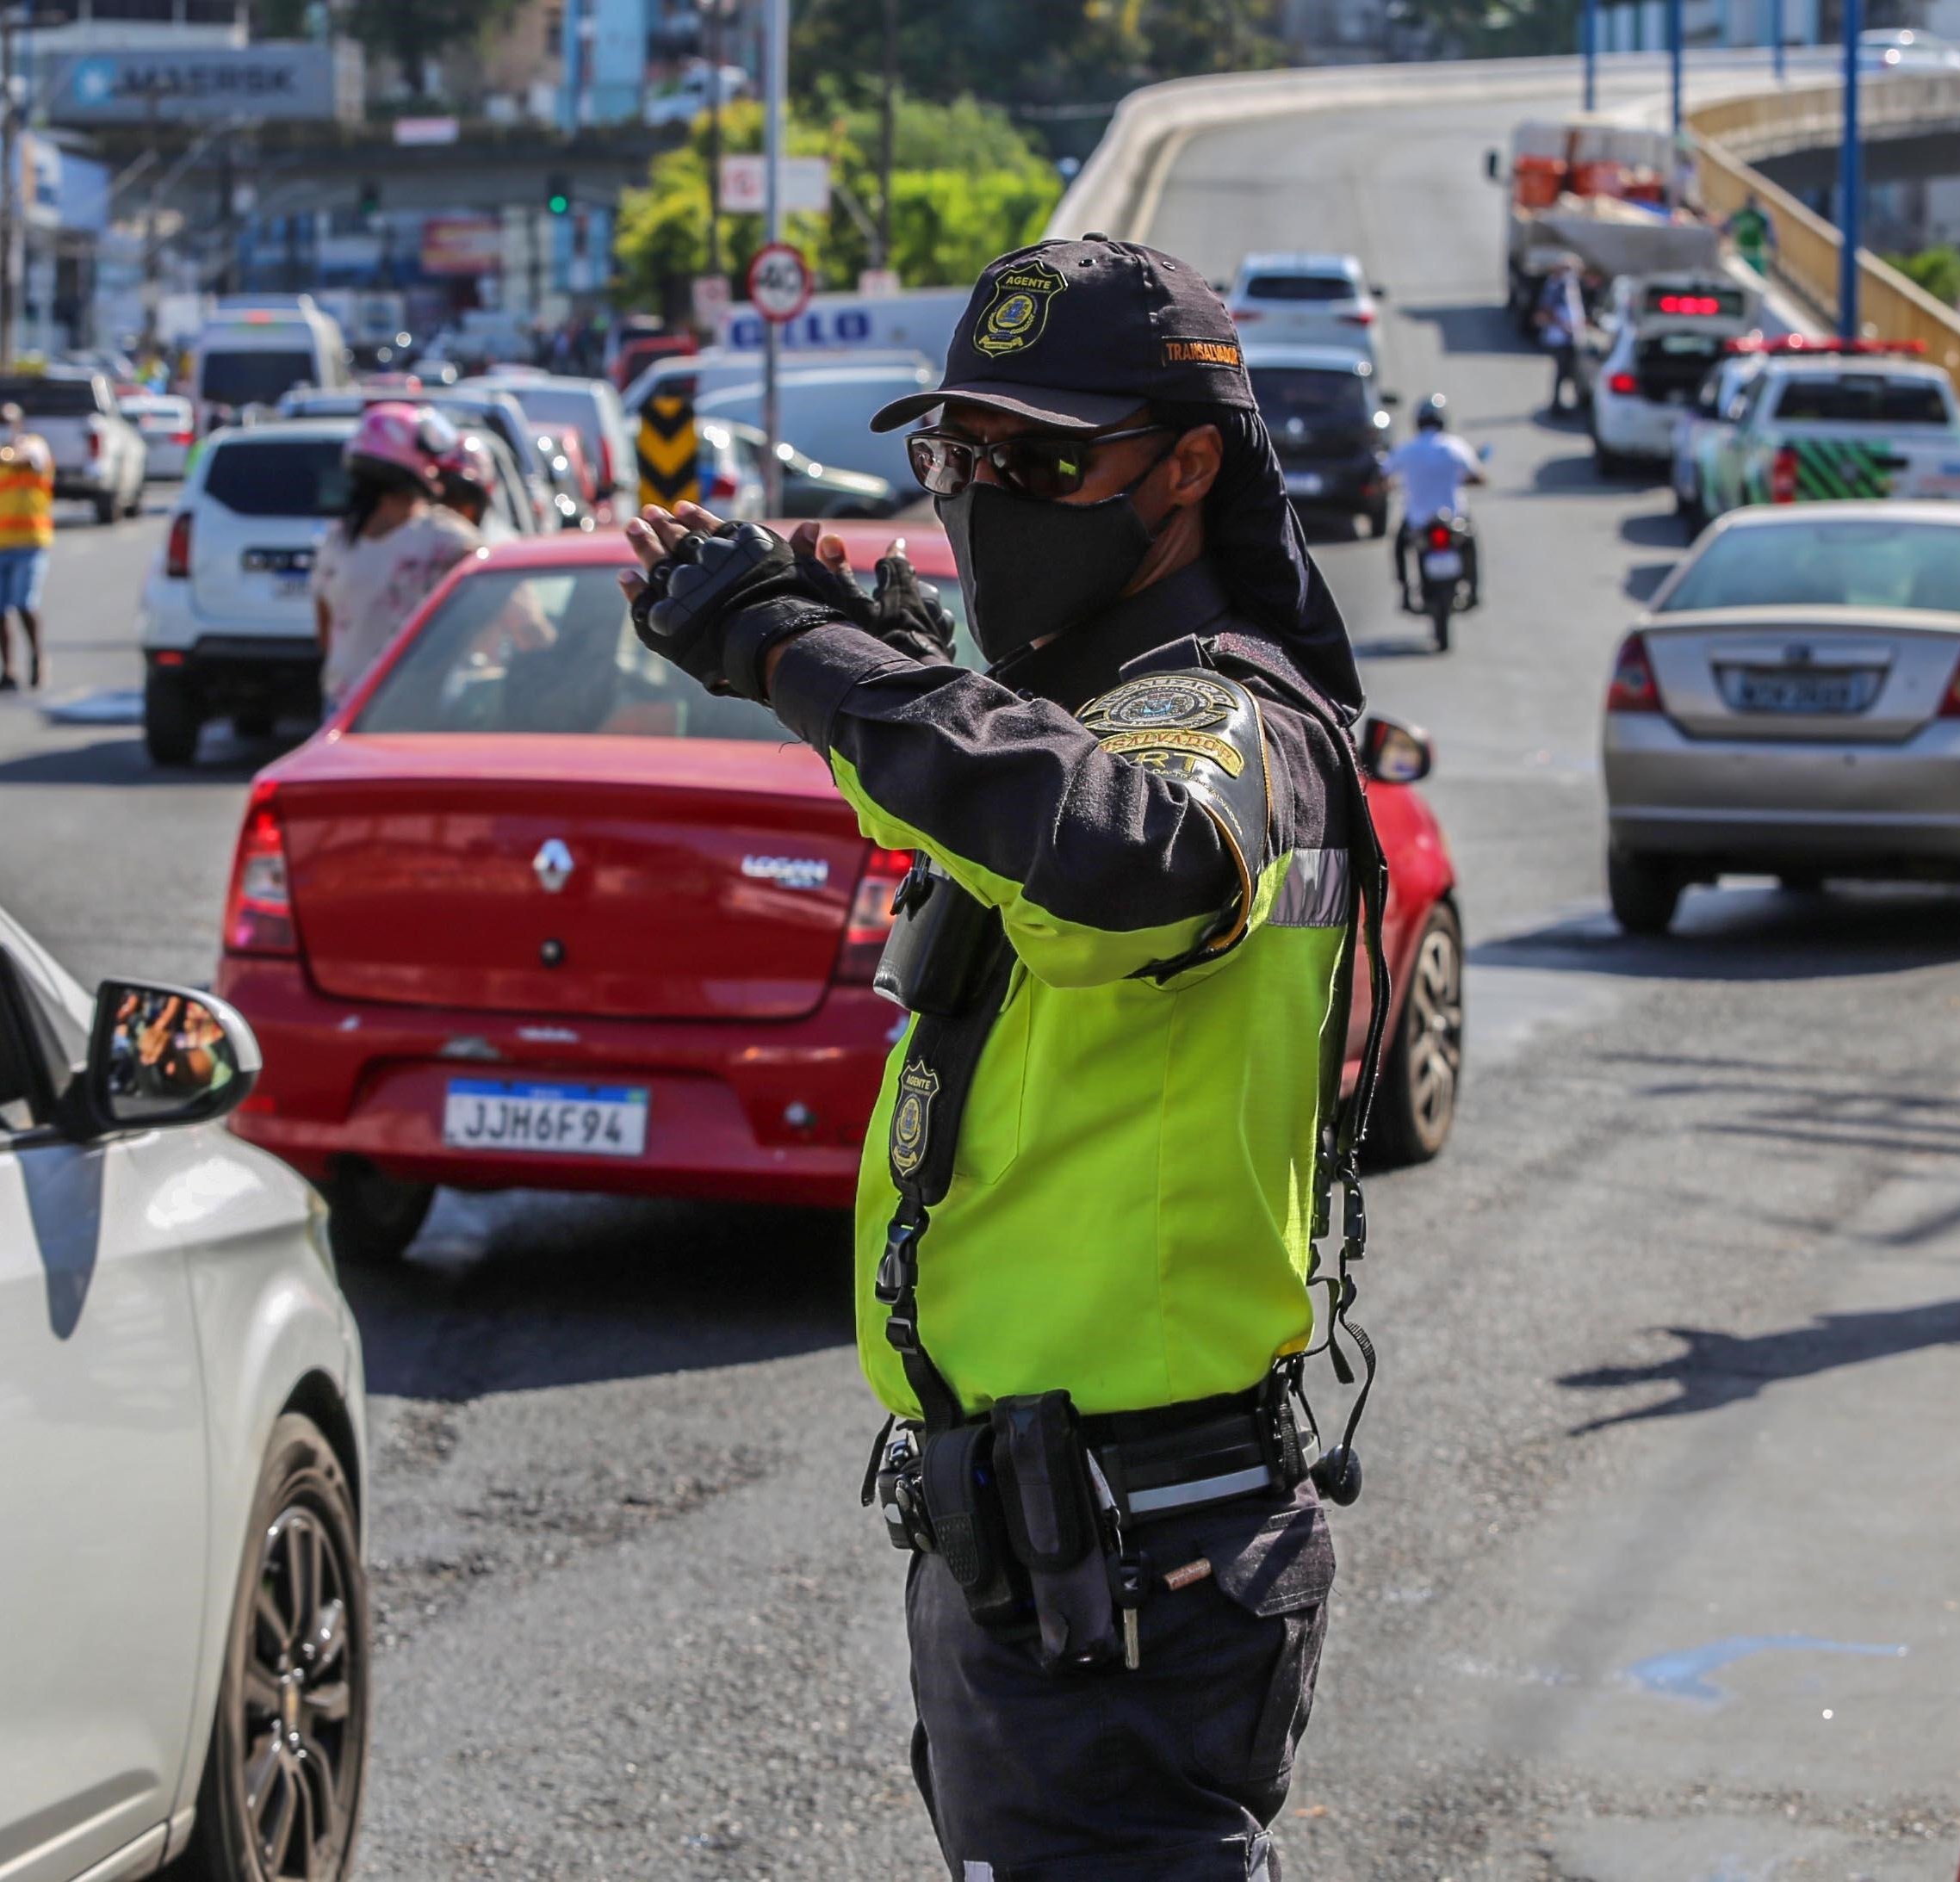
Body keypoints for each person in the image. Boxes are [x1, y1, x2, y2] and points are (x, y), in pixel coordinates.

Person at [619, 235, 1384, 1879]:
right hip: (1045, 1544)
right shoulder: (1092, 712)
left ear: (1187, 469)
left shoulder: (1227, 714)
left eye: (1040, 457)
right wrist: (875, 658)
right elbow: (1013, 802)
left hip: (1130, 1553)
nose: (983, 492)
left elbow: (1117, 857)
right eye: (956, 451)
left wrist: (794, 651)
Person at [313, 403, 481, 713]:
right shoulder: (447, 540)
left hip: (344, 706)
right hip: (417, 710)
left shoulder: (337, 542)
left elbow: (326, 630)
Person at [1385, 393, 1487, 610]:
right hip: (1454, 518)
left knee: (1399, 546)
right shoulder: (1454, 447)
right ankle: (1474, 590)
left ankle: (1405, 593)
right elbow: (1479, 475)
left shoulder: (1407, 449)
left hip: (1418, 521)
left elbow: (1385, 475)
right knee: (1471, 544)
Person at [0, 402, 54, 691]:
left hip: (31, 542)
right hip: (1, 544)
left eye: (5, 422)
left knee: (24, 604)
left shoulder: (34, 446)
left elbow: (30, 460)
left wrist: (6, 453)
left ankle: (37, 658)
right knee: (0, 611)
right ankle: (7, 669)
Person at [1535, 262, 1586, 418]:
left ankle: (1568, 402)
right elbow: (1547, 311)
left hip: (1570, 336)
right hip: (1561, 337)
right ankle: (1556, 405)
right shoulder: (1554, 286)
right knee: (1562, 372)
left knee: (1570, 371)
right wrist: (1564, 327)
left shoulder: (1569, 286)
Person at [1727, 198, 1776, 278]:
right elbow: (1728, 225)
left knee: (1757, 278)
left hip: (1755, 253)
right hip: (1742, 251)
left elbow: (1770, 233)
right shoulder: (1740, 214)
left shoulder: (1761, 217)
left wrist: (1771, 246)